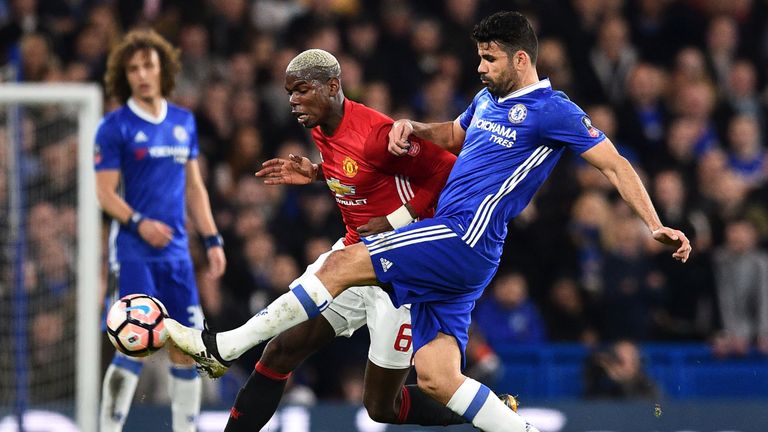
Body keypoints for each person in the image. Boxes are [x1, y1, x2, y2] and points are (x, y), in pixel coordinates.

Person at [167, 11, 691, 432]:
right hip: (454, 246)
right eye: (479, 58)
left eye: (489, 59)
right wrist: (415, 126)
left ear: (522, 58)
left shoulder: (553, 110)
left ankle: (224, 346)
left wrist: (653, 223)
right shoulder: (489, 99)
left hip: (466, 233)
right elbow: (456, 136)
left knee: (343, 261)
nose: (480, 68)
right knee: (438, 379)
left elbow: (615, 163)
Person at [224, 48, 516, 431]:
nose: (293, 101)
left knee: (382, 406)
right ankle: (228, 354)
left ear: (332, 86)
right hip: (354, 258)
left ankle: (493, 410)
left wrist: (398, 217)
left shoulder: (377, 134)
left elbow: (448, 172)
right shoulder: (319, 126)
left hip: (402, 270)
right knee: (281, 350)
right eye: (289, 92)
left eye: (300, 91)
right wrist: (315, 172)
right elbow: (357, 172)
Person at [94, 29, 226, 432]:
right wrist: (139, 223)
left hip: (178, 254)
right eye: (133, 69)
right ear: (124, 76)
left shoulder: (183, 121)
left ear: (162, 69)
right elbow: (104, 193)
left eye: (148, 65)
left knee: (186, 346)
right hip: (134, 251)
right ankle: (108, 428)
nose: (142, 75)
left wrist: (212, 238)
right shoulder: (113, 126)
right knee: (129, 342)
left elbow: (194, 187)